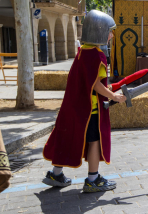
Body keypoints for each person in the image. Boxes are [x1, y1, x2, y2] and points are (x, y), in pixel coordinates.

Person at [42, 10, 127, 192]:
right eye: (109, 31)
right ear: (100, 30)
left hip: (74, 106)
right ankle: (93, 179)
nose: (111, 35)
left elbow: (89, 81)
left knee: (68, 137)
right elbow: (95, 84)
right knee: (94, 141)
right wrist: (114, 96)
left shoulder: (82, 52)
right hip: (90, 110)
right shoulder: (96, 56)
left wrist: (108, 88)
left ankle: (56, 174)